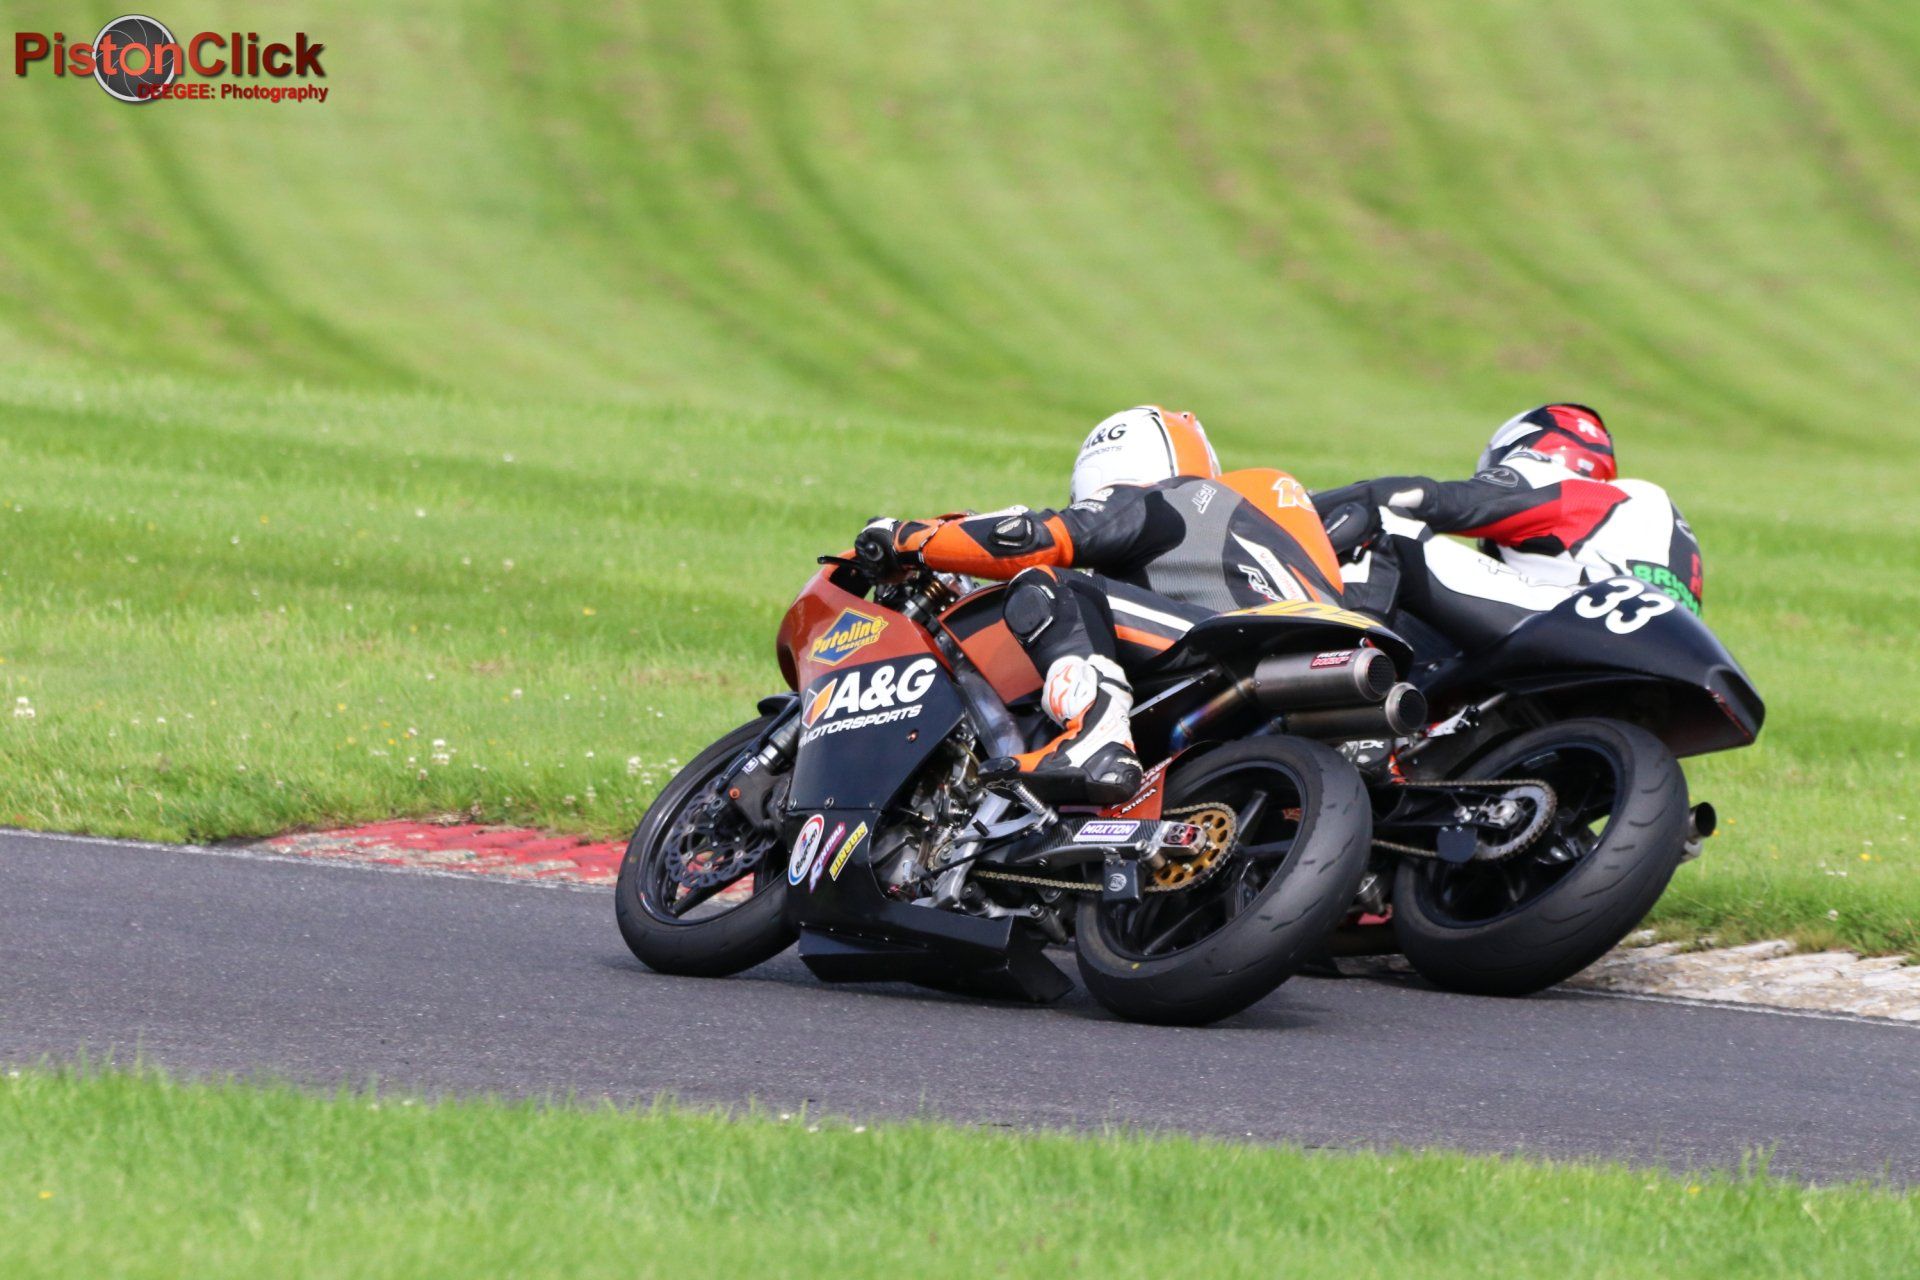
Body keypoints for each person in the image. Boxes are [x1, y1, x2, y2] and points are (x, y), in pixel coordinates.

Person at [856, 405, 1343, 803]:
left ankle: (1095, 739)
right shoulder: (1258, 520)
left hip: (1227, 638)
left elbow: (1031, 539)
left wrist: (909, 538)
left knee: (1052, 584)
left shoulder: (1154, 500)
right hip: (1321, 654)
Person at [1313, 404, 1705, 645]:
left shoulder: (1570, 483)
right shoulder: (1670, 533)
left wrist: (1306, 507)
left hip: (1571, 622)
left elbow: (1446, 502)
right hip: (1636, 651)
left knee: (1388, 526)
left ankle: (1347, 687)